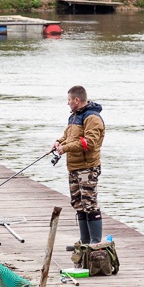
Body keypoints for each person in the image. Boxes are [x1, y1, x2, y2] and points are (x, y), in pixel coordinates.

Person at [51, 85, 106, 246]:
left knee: (89, 203)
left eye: (69, 100)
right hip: (73, 167)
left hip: (87, 168)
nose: (67, 103)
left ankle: (95, 243)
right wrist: (58, 142)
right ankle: (84, 241)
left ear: (76, 99)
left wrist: (65, 148)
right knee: (78, 203)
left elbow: (89, 142)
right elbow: (68, 136)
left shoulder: (92, 118)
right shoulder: (74, 116)